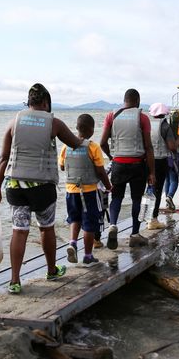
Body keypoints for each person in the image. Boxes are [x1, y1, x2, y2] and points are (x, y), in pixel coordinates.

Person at [0, 83, 81, 294]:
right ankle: (51, 270)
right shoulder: (53, 123)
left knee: (19, 230)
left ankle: (14, 280)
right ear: (46, 103)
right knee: (46, 227)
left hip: (15, 185)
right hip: (42, 188)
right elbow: (75, 143)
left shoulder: (14, 122)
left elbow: (3, 158)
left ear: (29, 102)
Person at [100, 88, 155, 249]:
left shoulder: (111, 116)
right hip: (138, 165)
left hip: (118, 164)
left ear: (124, 101)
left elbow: (102, 142)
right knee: (137, 199)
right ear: (137, 101)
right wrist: (152, 172)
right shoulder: (143, 118)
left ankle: (112, 225)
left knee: (116, 197)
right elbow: (149, 147)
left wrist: (112, 157)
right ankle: (135, 235)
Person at [58, 114, 112, 265]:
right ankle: (88, 256)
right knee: (89, 223)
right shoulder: (93, 147)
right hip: (89, 191)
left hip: (71, 190)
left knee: (75, 218)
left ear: (76, 128)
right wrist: (108, 186)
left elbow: (62, 166)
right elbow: (101, 171)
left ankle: (73, 242)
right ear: (92, 129)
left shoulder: (65, 146)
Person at [146, 103, 177, 230]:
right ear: (164, 113)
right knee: (158, 190)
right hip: (160, 160)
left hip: (147, 159)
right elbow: (172, 146)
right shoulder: (165, 126)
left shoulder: (147, 124)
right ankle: (153, 220)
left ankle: (146, 217)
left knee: (149, 189)